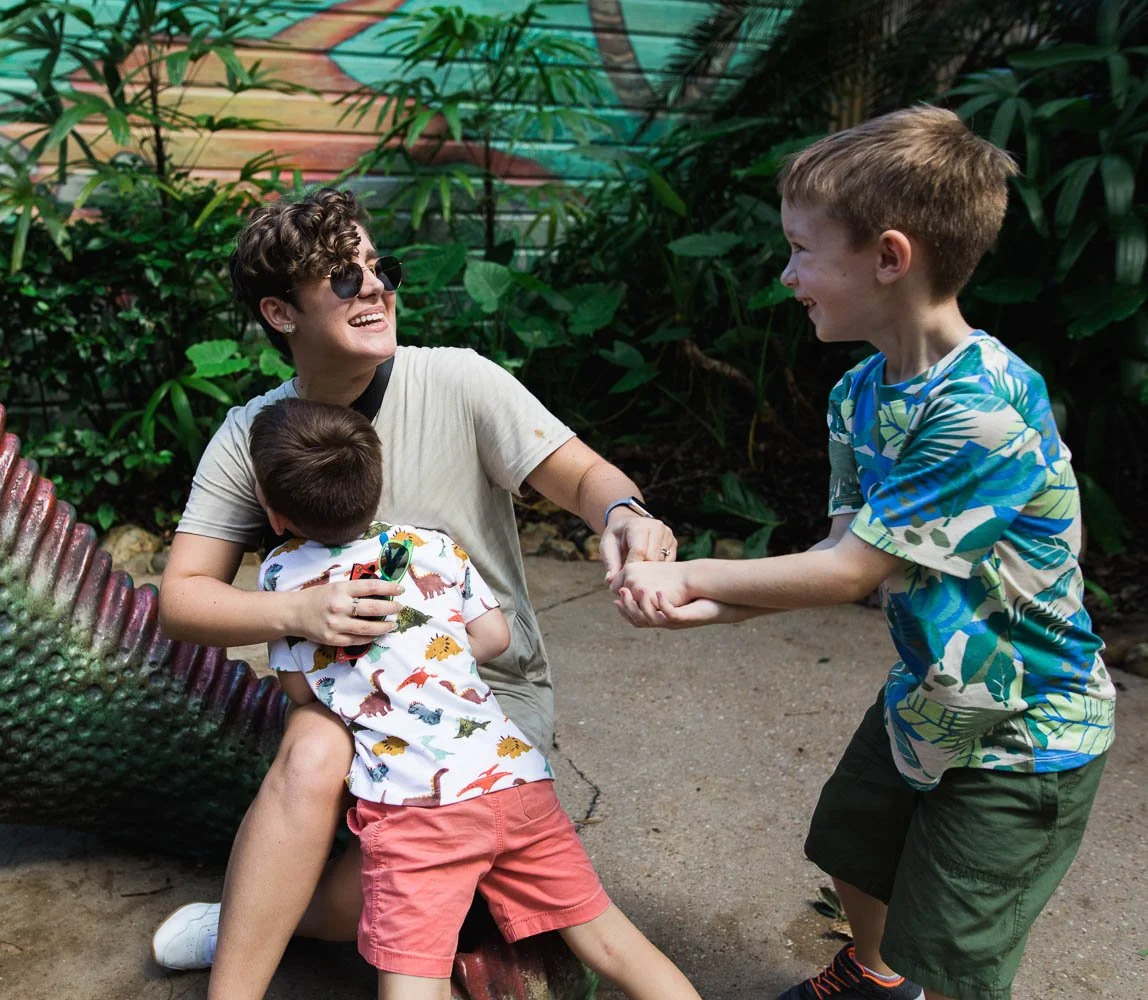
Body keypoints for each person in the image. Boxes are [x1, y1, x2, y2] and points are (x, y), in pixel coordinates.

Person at [609, 106, 1116, 1000]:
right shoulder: (860, 393)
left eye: (803, 250)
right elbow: (843, 555)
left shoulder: (986, 406)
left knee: (952, 952)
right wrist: (704, 609)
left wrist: (687, 571)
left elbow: (852, 573)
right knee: (853, 842)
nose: (786, 273)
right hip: (936, 686)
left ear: (890, 257)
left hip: (1030, 728)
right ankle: (874, 976)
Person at [152, 187, 678, 996]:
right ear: (279, 312)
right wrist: (292, 610)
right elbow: (182, 597)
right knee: (314, 744)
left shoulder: (459, 380)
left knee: (383, 895)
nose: (374, 287)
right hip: (348, 702)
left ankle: (259, 913)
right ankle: (246, 963)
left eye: (378, 267)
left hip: (483, 691)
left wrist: (626, 514)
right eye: (341, 276)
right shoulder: (253, 434)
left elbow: (582, 475)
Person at [240, 396, 701, 1000]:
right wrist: (432, 649)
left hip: (417, 811)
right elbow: (492, 636)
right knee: (613, 944)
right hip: (514, 781)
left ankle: (246, 926)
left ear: (275, 516)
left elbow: (301, 689)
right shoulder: (431, 546)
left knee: (413, 976)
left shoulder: (281, 577)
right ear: (375, 491)